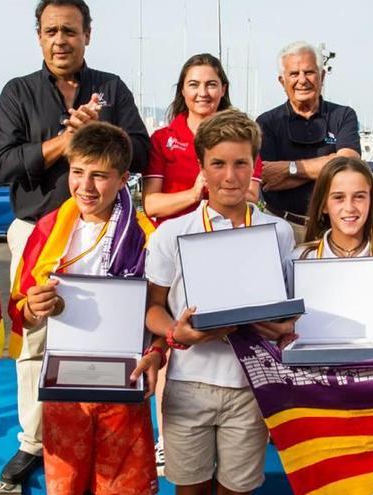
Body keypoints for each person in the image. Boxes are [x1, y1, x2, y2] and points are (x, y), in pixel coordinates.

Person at [0, 0, 150, 483]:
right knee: (36, 340)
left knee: (112, 330)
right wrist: (67, 141)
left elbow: (140, 150)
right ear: (39, 36)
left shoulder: (112, 87)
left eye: (71, 31)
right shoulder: (17, 92)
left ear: (88, 34)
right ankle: (34, 440)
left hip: (109, 230)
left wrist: (101, 133)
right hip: (42, 232)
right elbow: (3, 165)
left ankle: (111, 414)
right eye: (52, 31)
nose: (61, 40)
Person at [144, 109, 296, 495]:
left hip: (250, 383)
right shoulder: (172, 233)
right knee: (189, 489)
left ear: (253, 165)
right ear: (201, 167)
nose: (230, 176)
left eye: (241, 164)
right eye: (218, 164)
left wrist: (282, 328)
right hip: (188, 382)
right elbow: (152, 308)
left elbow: (289, 311)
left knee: (237, 490)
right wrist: (176, 331)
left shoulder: (277, 232)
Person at [9, 122, 162, 495]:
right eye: (77, 173)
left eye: (100, 176)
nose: (85, 187)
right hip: (65, 386)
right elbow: (18, 308)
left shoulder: (147, 236)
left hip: (125, 383)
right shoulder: (47, 229)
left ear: (124, 178)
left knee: (123, 486)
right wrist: (33, 308)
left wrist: (157, 351)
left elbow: (161, 307)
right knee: (67, 484)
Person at [296, 156, 373, 347]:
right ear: (323, 204)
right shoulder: (299, 259)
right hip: (317, 372)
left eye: (359, 196)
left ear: (371, 201)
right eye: (338, 197)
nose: (349, 208)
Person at [257, 41, 361, 242]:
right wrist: (329, 164)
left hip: (335, 229)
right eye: (294, 74)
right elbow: (268, 179)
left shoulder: (343, 115)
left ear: (322, 76)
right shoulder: (266, 122)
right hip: (284, 228)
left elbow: (349, 165)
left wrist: (290, 169)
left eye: (309, 72)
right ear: (282, 81)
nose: (302, 80)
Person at [144, 53, 263, 225]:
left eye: (211, 85)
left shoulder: (242, 138)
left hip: (227, 235)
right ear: (183, 90)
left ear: (223, 89)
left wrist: (215, 185)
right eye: (194, 85)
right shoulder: (162, 139)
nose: (203, 93)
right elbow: (151, 205)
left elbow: (252, 196)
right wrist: (193, 194)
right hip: (176, 238)